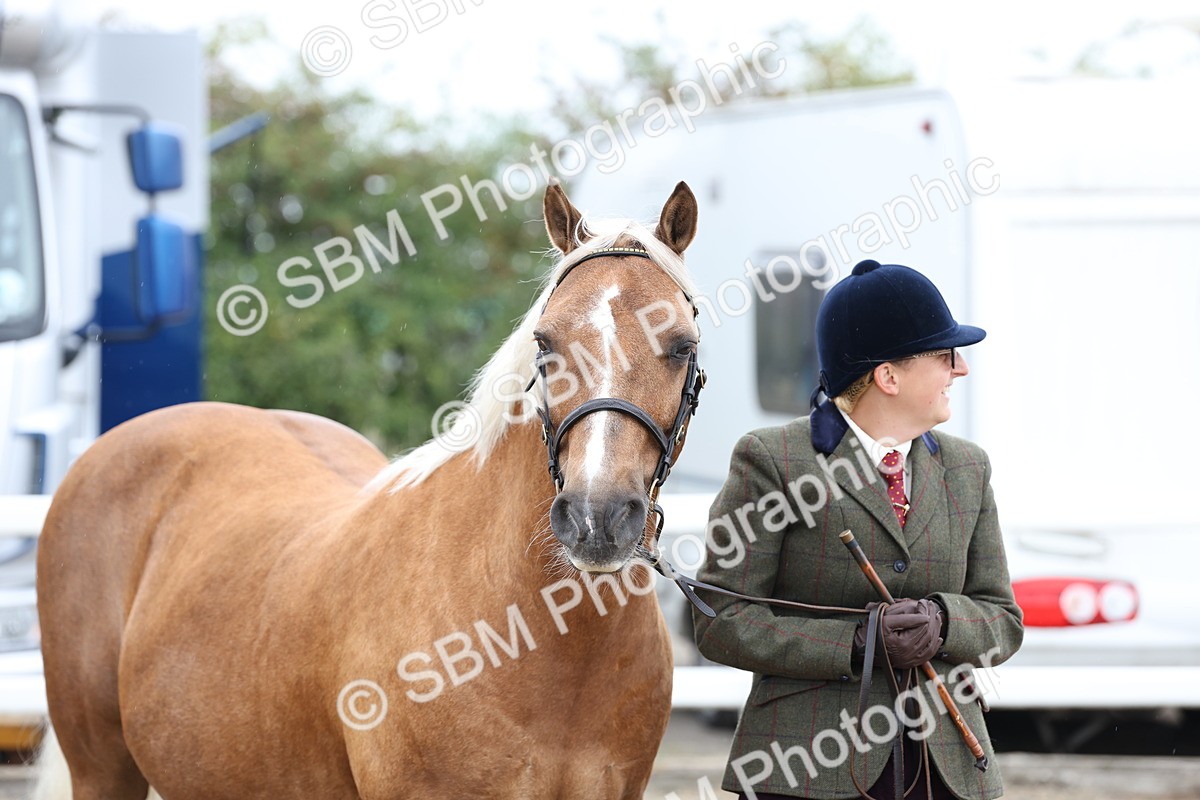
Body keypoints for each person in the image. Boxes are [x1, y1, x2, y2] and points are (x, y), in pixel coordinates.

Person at [692, 259, 1024, 800]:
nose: (959, 368)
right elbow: (721, 620)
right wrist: (854, 642)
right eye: (943, 355)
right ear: (888, 376)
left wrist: (942, 621)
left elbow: (1002, 618)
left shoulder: (968, 468)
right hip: (806, 766)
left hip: (949, 769)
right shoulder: (772, 460)